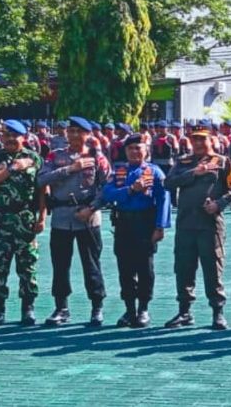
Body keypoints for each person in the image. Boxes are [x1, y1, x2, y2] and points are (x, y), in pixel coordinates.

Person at [164, 126, 231, 330]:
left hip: (210, 224)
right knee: (183, 268)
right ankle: (184, 311)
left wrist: (219, 204)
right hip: (186, 223)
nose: (198, 143)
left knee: (213, 268)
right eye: (194, 139)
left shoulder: (222, 162)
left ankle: (218, 312)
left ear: (211, 140)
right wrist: (192, 173)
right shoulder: (183, 162)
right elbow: (168, 183)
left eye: (202, 139)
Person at [37, 116, 110, 326]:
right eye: (72, 131)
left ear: (88, 135)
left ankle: (97, 307)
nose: (75, 135)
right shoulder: (55, 156)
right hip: (61, 217)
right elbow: (41, 179)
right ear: (66, 133)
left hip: (88, 217)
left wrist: (92, 208)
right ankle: (61, 307)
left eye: (80, 132)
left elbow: (107, 187)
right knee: (60, 265)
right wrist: (70, 169)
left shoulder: (98, 158)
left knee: (92, 264)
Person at [0, 119, 45, 325]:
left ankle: (28, 308)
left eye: (14, 135)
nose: (9, 139)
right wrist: (11, 169)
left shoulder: (34, 158)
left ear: (23, 137)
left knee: (28, 265)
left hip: (25, 217)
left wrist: (42, 216)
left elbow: (43, 190)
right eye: (6, 135)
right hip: (1, 219)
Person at [101, 134, 171, 328]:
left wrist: (160, 226)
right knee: (125, 268)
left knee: (145, 268)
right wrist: (130, 190)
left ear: (146, 150)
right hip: (124, 224)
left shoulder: (154, 172)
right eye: (130, 148)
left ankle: (143, 309)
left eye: (138, 148)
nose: (134, 152)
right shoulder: (118, 172)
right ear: (125, 151)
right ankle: (129, 309)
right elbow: (107, 194)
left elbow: (164, 200)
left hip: (145, 223)